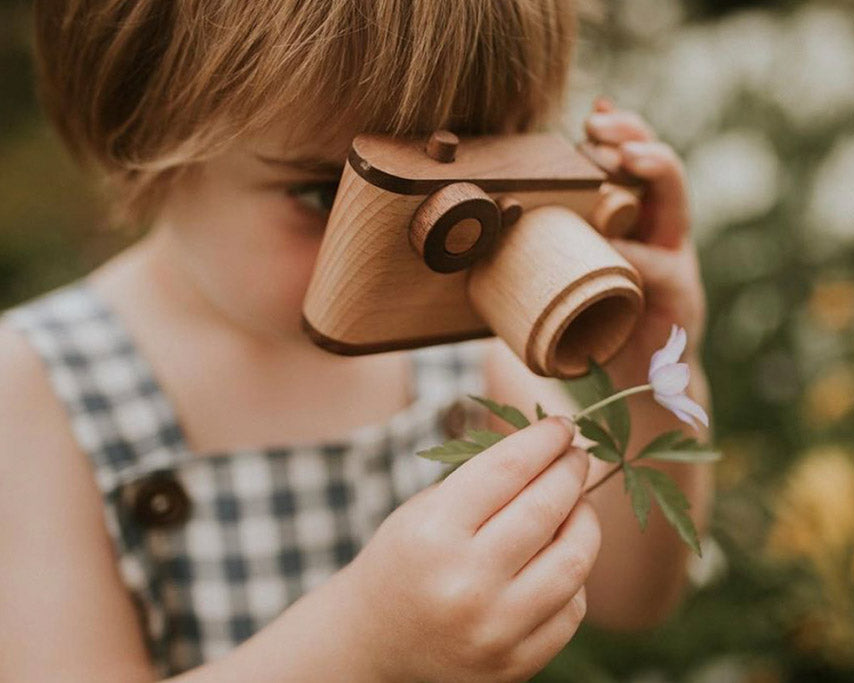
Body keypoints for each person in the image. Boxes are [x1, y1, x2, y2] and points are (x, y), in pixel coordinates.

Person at [0, 1, 712, 680]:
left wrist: (652, 367)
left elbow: (628, 595)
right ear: (144, 134)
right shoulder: (44, 383)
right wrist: (365, 646)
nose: (407, 251)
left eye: (474, 179)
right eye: (322, 194)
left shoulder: (454, 338)